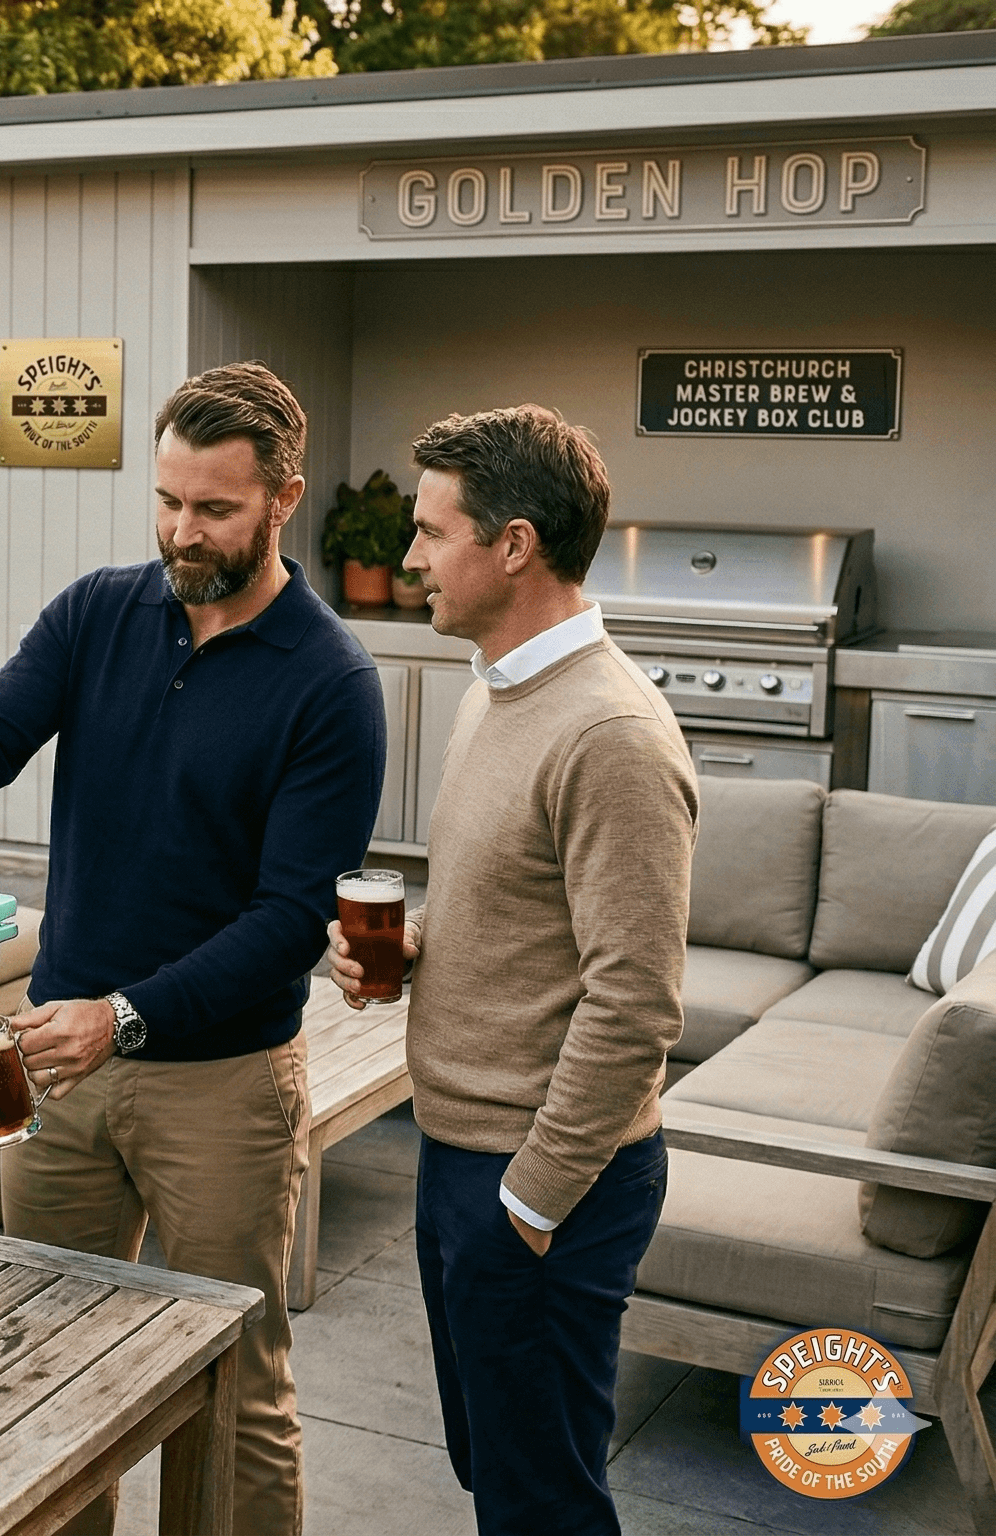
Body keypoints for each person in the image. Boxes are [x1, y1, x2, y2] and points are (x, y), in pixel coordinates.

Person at [0, 362, 386, 1536]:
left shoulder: (331, 682)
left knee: (235, 1381)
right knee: (47, 1366)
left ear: (281, 499)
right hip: (60, 1076)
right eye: (166, 499)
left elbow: (285, 922)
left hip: (219, 1086)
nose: (179, 529)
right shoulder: (97, 611)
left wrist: (118, 1014)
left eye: (211, 508)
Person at [329, 406, 693, 1536]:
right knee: (493, 1471)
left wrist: (526, 1206)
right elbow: (504, 901)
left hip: (543, 1184)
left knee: (541, 1502)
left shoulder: (609, 737)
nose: (406, 557)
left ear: (513, 545)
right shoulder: (494, 689)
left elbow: (634, 1003)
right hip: (460, 1156)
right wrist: (404, 951)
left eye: (432, 533)